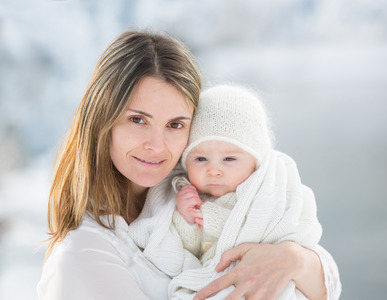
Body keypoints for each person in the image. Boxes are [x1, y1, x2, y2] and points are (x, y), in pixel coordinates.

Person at [37, 30, 341, 300]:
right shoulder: (85, 255)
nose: (157, 145)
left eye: (175, 124)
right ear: (102, 118)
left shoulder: (189, 188)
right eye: (137, 120)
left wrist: (293, 258)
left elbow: (326, 283)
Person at [128, 84, 325, 299]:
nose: (213, 170)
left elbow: (299, 232)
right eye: (200, 159)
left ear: (255, 162)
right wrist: (186, 218)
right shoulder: (187, 195)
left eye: (229, 159)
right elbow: (191, 251)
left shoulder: (267, 195)